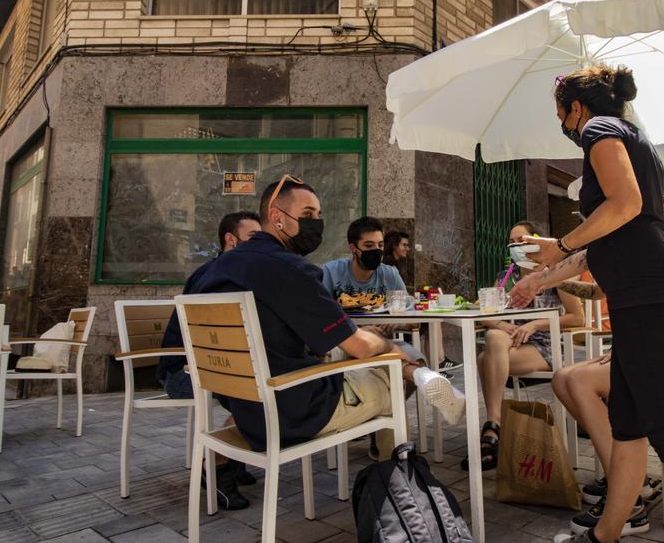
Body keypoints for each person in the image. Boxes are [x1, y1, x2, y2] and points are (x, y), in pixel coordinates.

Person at [511, 65, 664, 543]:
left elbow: (627, 205)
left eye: (559, 113)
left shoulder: (600, 131)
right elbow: (609, 235)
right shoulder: (629, 137)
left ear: (576, 107)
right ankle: (605, 540)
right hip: (642, 293)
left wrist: (564, 243)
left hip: (647, 294)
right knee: (626, 424)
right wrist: (539, 279)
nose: (561, 122)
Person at [163, 176, 464, 508]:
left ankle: (409, 382)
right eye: (307, 213)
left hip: (246, 412)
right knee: (388, 369)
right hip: (297, 412)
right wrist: (388, 348)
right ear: (276, 216)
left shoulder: (206, 273)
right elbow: (360, 347)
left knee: (361, 358)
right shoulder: (290, 269)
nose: (316, 223)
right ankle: (399, 493)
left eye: (318, 214)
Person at [551, 214, 664, 536]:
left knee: (579, 380)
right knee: (562, 378)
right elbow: (597, 292)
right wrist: (552, 280)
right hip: (647, 352)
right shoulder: (637, 256)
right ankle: (630, 479)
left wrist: (635, 340)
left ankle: (627, 500)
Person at [463, 220, 587, 471]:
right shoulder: (506, 276)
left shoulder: (555, 272)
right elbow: (483, 309)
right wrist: (502, 326)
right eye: (512, 242)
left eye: (522, 241)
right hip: (511, 342)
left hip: (544, 345)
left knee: (483, 360)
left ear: (537, 242)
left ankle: (492, 432)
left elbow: (577, 317)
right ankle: (494, 424)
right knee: (493, 339)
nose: (516, 246)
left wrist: (535, 324)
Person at [158, 211, 262, 508]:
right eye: (253, 238)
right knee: (262, 396)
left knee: (268, 388)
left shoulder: (237, 273)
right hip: (184, 372)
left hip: (216, 365)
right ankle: (215, 467)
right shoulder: (214, 277)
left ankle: (235, 459)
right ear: (231, 239)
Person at [321, 217, 407, 310]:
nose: (377, 249)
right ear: (353, 248)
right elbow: (320, 313)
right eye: (369, 245)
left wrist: (397, 323)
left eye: (380, 245)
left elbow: (408, 312)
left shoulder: (391, 275)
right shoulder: (332, 272)